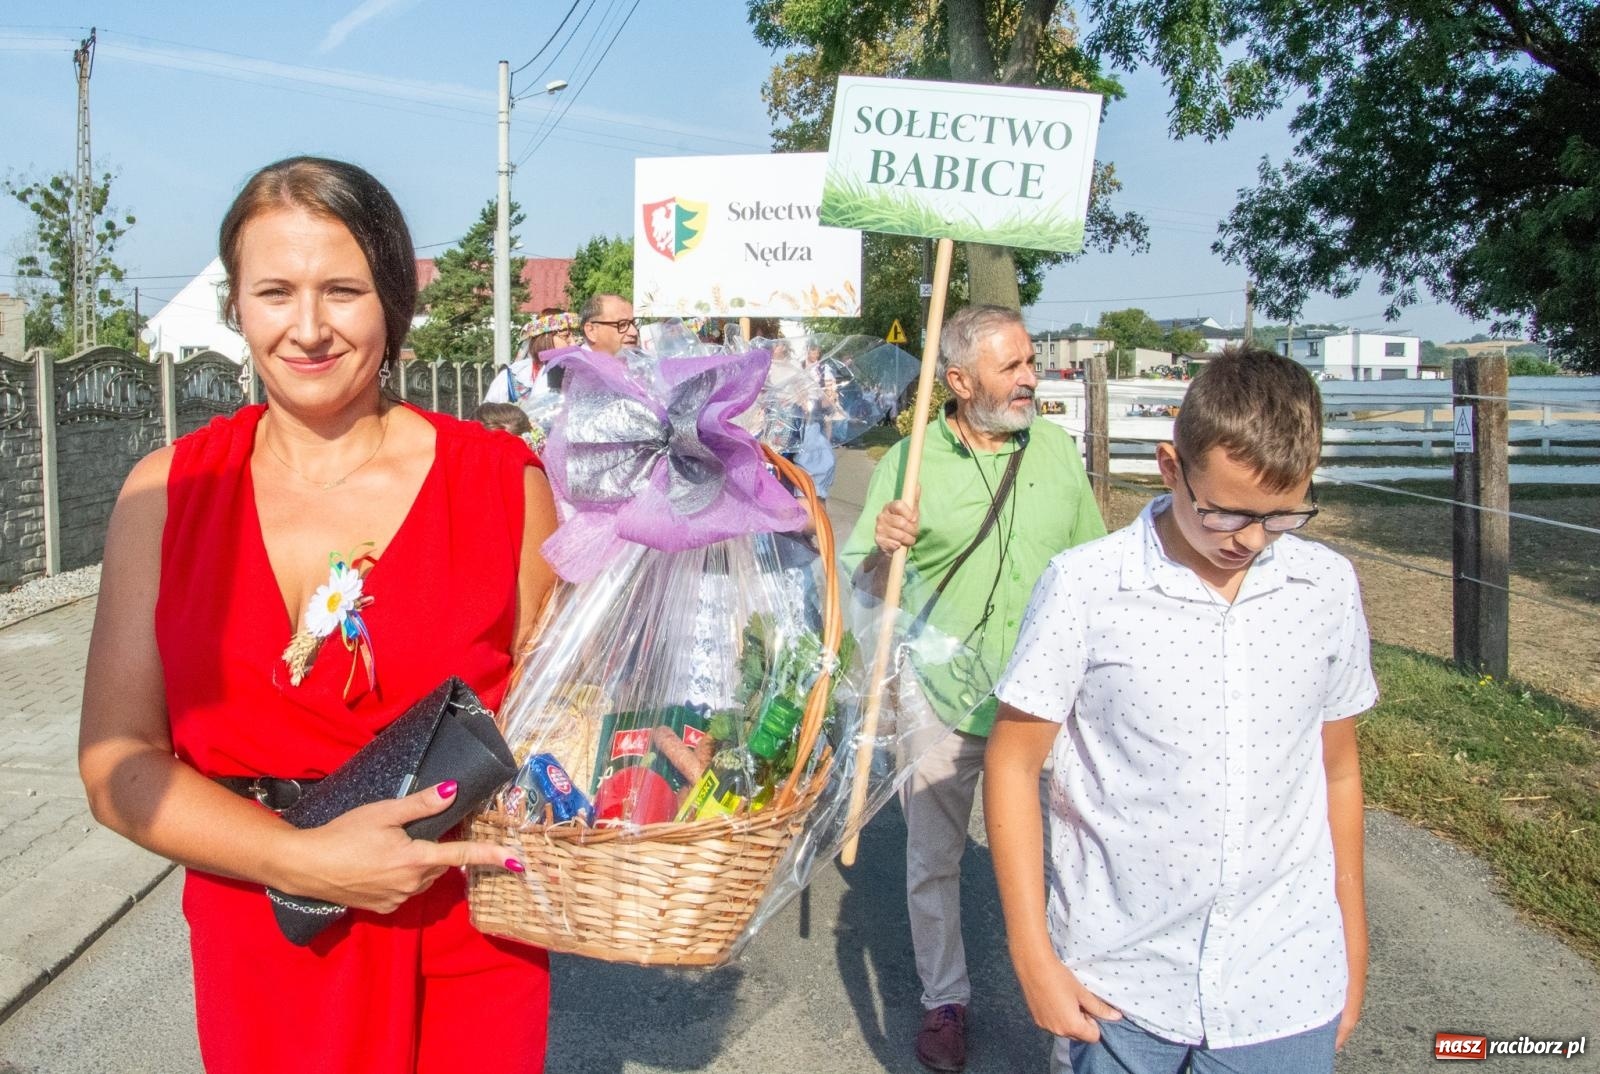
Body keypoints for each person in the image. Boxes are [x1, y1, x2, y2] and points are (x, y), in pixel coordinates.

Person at [78, 156, 560, 1074]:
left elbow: (563, 718)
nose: (307, 329)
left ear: (391, 300)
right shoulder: (164, 495)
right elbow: (114, 764)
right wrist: (298, 862)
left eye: (342, 290)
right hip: (265, 933)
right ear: (236, 306)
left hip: (463, 933)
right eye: (273, 292)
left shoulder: (502, 485)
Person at [985, 345, 1375, 1074]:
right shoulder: (1086, 588)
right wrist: (1033, 956)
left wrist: (1352, 938)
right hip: (1121, 988)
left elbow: (1339, 771)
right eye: (1225, 511)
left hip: (1283, 985)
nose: (1252, 540)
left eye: (1283, 516)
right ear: (1171, 468)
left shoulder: (1325, 588)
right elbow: (1011, 763)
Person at [840, 304, 1105, 1073]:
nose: (1030, 377)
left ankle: (1076, 992)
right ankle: (944, 1000)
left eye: (1030, 362)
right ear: (958, 381)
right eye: (1012, 366)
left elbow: (1092, 567)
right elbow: (869, 583)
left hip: (1048, 698)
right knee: (934, 858)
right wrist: (884, 548)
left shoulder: (1053, 450)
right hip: (942, 689)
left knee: (1077, 855)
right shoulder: (910, 461)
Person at [483, 308, 579, 405]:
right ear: (546, 338)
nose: (573, 344)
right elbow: (486, 416)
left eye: (574, 337)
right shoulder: (511, 379)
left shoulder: (578, 375)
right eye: (565, 336)